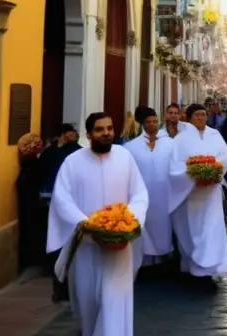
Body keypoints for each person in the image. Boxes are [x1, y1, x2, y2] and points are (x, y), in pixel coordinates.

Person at [48, 113, 149, 334]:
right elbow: (62, 199)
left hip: (120, 245)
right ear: (89, 134)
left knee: (115, 301)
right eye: (100, 130)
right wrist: (89, 224)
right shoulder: (73, 162)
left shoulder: (125, 157)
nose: (106, 134)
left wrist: (125, 221)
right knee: (88, 302)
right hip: (87, 245)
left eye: (110, 129)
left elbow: (140, 194)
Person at [169, 103, 227, 287]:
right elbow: (175, 165)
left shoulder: (215, 134)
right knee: (191, 230)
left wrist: (213, 169)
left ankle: (209, 269)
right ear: (189, 118)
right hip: (190, 192)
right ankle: (193, 267)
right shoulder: (181, 140)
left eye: (203, 115)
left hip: (211, 192)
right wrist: (194, 175)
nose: (201, 118)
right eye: (197, 115)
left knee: (211, 229)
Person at [124, 108, 175, 272]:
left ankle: (162, 259)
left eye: (155, 121)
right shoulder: (131, 147)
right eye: (148, 122)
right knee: (144, 225)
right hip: (142, 194)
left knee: (163, 227)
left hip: (164, 194)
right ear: (143, 124)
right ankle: (144, 262)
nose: (152, 124)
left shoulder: (170, 143)